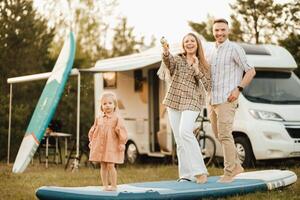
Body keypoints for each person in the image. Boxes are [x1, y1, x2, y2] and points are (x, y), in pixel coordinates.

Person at [206, 18, 256, 183]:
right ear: (213, 32)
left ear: (228, 31)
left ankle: (229, 172)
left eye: (222, 30)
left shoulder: (235, 49)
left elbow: (250, 71)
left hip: (228, 98)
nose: (219, 33)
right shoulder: (210, 50)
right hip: (212, 99)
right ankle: (236, 166)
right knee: (218, 134)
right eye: (217, 30)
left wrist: (238, 89)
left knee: (225, 135)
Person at [159, 33, 211, 184]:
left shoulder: (203, 63)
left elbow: (207, 85)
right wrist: (166, 51)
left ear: (197, 44)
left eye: (192, 40)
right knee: (180, 140)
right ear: (183, 45)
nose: (189, 43)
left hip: (192, 101)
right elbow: (169, 63)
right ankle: (186, 175)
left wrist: (196, 69)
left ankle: (200, 171)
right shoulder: (178, 58)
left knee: (185, 131)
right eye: (186, 41)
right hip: (174, 100)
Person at [88, 92, 128, 191]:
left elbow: (121, 131)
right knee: (103, 165)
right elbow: (94, 130)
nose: (107, 105)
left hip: (111, 146)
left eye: (110, 103)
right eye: (104, 104)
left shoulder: (117, 118)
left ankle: (114, 185)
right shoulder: (99, 118)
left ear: (114, 105)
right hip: (101, 146)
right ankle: (105, 185)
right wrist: (92, 140)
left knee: (111, 165)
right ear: (101, 106)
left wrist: (122, 143)